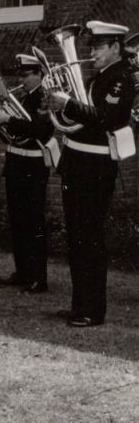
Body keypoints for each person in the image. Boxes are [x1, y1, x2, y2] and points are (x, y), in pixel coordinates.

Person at [48, 21, 136, 327]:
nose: (92, 53)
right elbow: (81, 117)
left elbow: (107, 119)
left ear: (115, 47)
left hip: (96, 168)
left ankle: (93, 310)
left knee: (90, 238)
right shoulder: (101, 76)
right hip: (78, 163)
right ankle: (80, 304)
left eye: (98, 47)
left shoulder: (121, 78)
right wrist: (62, 105)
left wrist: (69, 103)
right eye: (92, 47)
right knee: (76, 237)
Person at [0, 54, 54, 294]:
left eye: (27, 75)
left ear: (39, 74)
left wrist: (9, 119)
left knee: (34, 222)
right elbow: (12, 133)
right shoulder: (23, 97)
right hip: (16, 163)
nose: (22, 79)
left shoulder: (44, 98)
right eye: (21, 74)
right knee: (17, 220)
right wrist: (1, 123)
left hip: (33, 166)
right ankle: (22, 271)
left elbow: (39, 130)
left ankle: (39, 277)